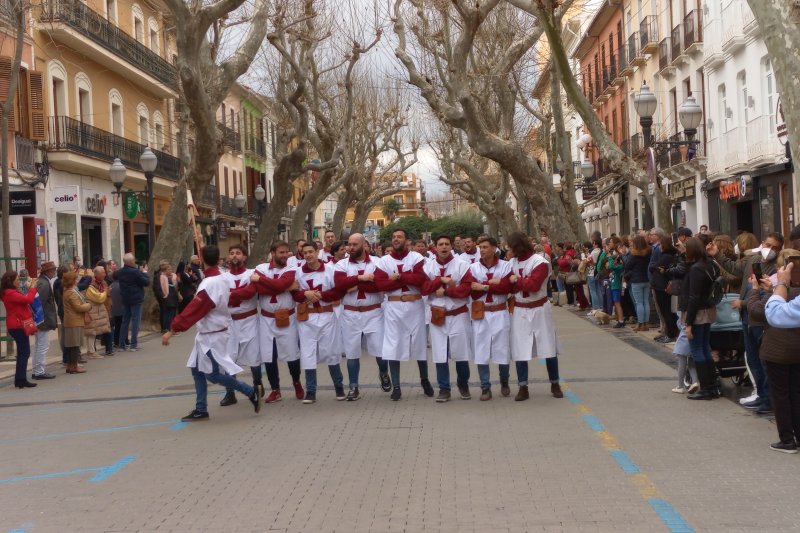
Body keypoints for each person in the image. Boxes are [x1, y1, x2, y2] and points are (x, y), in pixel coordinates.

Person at [163, 245, 262, 421]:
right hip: (208, 333)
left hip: (213, 335)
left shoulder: (211, 283)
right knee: (196, 370)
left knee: (213, 374)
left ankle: (250, 392)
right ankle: (201, 408)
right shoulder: (222, 277)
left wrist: (172, 329)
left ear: (202, 259)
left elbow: (194, 310)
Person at [719, 232, 784, 413]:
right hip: (747, 316)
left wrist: (743, 303)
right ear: (763, 243)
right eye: (768, 245)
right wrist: (717, 254)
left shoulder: (777, 268)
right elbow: (735, 269)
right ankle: (761, 395)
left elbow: (765, 295)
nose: (770, 250)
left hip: (760, 319)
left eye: (775, 248)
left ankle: (768, 398)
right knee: (753, 358)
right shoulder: (754, 260)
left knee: (763, 359)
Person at [374, 228, 434, 400]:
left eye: (399, 236)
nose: (396, 239)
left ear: (406, 240)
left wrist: (398, 276)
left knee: (419, 344)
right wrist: (406, 277)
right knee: (393, 346)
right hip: (393, 307)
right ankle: (397, 387)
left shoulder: (416, 258)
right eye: (394, 236)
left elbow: (420, 279)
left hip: (415, 306)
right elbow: (380, 284)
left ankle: (424, 380)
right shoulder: (383, 261)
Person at [748, 256, 800, 452]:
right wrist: (773, 289)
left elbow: (759, 312)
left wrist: (755, 290)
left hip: (777, 351)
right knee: (795, 393)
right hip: (796, 350)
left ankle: (787, 439)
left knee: (780, 395)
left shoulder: (784, 292)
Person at [507, 231, 563, 401]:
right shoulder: (511, 263)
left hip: (539, 309)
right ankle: (522, 386)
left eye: (511, 247)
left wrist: (515, 280)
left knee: (548, 346)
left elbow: (533, 285)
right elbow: (505, 284)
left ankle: (555, 383)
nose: (508, 250)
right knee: (520, 348)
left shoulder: (540, 262)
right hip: (520, 310)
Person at [334, 233, 390, 401]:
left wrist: (354, 284)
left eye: (354, 244)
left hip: (373, 312)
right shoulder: (341, 264)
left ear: (364, 245)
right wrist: (361, 278)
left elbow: (379, 284)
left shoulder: (377, 263)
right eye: (349, 244)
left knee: (380, 350)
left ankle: (383, 372)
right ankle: (353, 386)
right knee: (352, 352)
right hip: (350, 313)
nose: (350, 248)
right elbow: (340, 284)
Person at [246, 241, 304, 402]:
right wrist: (284, 288)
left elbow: (282, 283)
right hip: (267, 319)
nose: (285, 255)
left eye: (286, 252)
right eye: (281, 252)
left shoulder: (291, 268)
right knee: (269, 356)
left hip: (288, 317)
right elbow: (259, 289)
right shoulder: (262, 268)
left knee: (292, 353)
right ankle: (275, 389)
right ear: (273, 253)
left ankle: (296, 382)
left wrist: (262, 280)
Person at [421, 234, 474, 402]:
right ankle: (444, 388)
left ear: (451, 246)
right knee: (440, 353)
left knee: (461, 352)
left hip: (458, 313)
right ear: (435, 247)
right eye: (440, 244)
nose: (443, 247)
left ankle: (463, 384)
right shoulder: (428, 267)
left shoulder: (462, 265)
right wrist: (440, 280)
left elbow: (466, 289)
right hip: (438, 315)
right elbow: (424, 288)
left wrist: (446, 291)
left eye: (446, 244)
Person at [292, 241, 345, 403]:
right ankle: (311, 391)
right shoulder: (298, 272)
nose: (308, 255)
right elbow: (294, 294)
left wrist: (321, 295)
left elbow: (338, 291)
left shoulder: (330, 270)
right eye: (305, 253)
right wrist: (305, 294)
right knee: (307, 353)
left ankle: (339, 387)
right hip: (307, 318)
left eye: (311, 252)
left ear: (317, 252)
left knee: (331, 352)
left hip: (327, 316)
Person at [219, 245, 264, 407]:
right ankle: (230, 393)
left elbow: (250, 292)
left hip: (249, 320)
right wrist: (231, 296)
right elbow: (220, 298)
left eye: (238, 253)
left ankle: (257, 385)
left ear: (244, 256)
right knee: (228, 358)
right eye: (231, 253)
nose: (234, 256)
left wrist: (229, 295)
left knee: (253, 356)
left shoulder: (252, 274)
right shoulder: (222, 277)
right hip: (229, 322)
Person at [470, 235, 513, 400]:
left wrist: (484, 286)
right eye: (480, 247)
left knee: (502, 349)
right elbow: (471, 290)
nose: (482, 250)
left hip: (499, 312)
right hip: (481, 312)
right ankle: (485, 386)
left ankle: (504, 381)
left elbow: (506, 288)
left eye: (485, 247)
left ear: (494, 249)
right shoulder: (473, 268)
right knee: (481, 350)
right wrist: (493, 284)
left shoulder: (505, 266)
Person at [681, 237, 721, 400]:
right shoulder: (710, 264)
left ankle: (706, 388)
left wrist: (689, 323)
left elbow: (694, 297)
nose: (684, 250)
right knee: (704, 349)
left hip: (697, 312)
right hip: (707, 309)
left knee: (697, 350)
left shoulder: (696, 268)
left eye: (686, 248)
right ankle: (712, 386)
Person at [1, 271, 39, 388]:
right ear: (11, 281)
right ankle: (21, 379)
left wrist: (29, 288)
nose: (19, 281)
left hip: (17, 324)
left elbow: (23, 299)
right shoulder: (10, 293)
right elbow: (28, 300)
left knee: (23, 352)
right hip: (17, 325)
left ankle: (20, 379)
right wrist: (32, 288)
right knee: (24, 352)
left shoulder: (10, 292)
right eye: (17, 279)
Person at [118, 252, 151, 351]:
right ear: (131, 261)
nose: (134, 261)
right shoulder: (135, 272)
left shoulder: (120, 272)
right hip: (136, 298)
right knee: (135, 321)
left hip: (125, 298)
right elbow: (146, 282)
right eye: (133, 260)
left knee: (125, 321)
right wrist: (144, 272)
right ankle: (133, 344)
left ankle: (122, 344)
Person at [62, 271, 92, 374]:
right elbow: (78, 307)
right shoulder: (71, 292)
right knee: (74, 345)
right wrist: (89, 305)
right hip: (74, 320)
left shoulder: (69, 291)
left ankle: (70, 365)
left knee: (73, 345)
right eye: (75, 279)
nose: (77, 280)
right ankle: (74, 366)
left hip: (73, 320)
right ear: (72, 281)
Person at [651, 235, 679, 343]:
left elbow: (655, 268)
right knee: (665, 312)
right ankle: (667, 332)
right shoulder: (669, 255)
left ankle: (671, 334)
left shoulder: (666, 256)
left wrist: (655, 267)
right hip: (661, 285)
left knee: (666, 312)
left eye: (660, 244)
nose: (659, 247)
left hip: (662, 286)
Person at [32, 261, 58, 380]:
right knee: (42, 345)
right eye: (53, 270)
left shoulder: (42, 281)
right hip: (42, 319)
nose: (54, 272)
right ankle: (39, 371)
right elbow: (39, 303)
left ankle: (37, 370)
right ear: (48, 271)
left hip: (40, 319)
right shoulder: (44, 283)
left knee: (39, 345)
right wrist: (40, 319)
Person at [84, 265, 113, 358]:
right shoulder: (91, 285)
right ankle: (91, 352)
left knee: (93, 332)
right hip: (92, 312)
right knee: (91, 332)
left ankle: (91, 351)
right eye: (103, 273)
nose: (104, 274)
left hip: (98, 312)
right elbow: (99, 298)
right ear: (96, 274)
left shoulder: (102, 283)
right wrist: (106, 292)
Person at [625, 235, 652, 331]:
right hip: (646, 279)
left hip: (636, 280)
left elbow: (627, 266)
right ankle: (646, 323)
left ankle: (640, 323)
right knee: (646, 302)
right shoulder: (649, 253)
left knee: (639, 302)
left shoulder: (633, 255)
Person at [154, 262, 179, 333]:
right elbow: (159, 288)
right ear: (165, 270)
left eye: (171, 269)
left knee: (172, 313)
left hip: (173, 297)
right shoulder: (162, 277)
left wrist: (178, 282)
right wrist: (163, 296)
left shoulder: (172, 277)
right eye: (169, 269)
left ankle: (170, 328)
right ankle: (167, 328)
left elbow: (176, 287)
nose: (170, 271)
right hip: (167, 297)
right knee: (168, 313)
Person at [109, 270, 127, 349]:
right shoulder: (122, 286)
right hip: (122, 308)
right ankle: (124, 340)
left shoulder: (110, 286)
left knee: (116, 326)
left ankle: (116, 341)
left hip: (114, 309)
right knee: (123, 325)